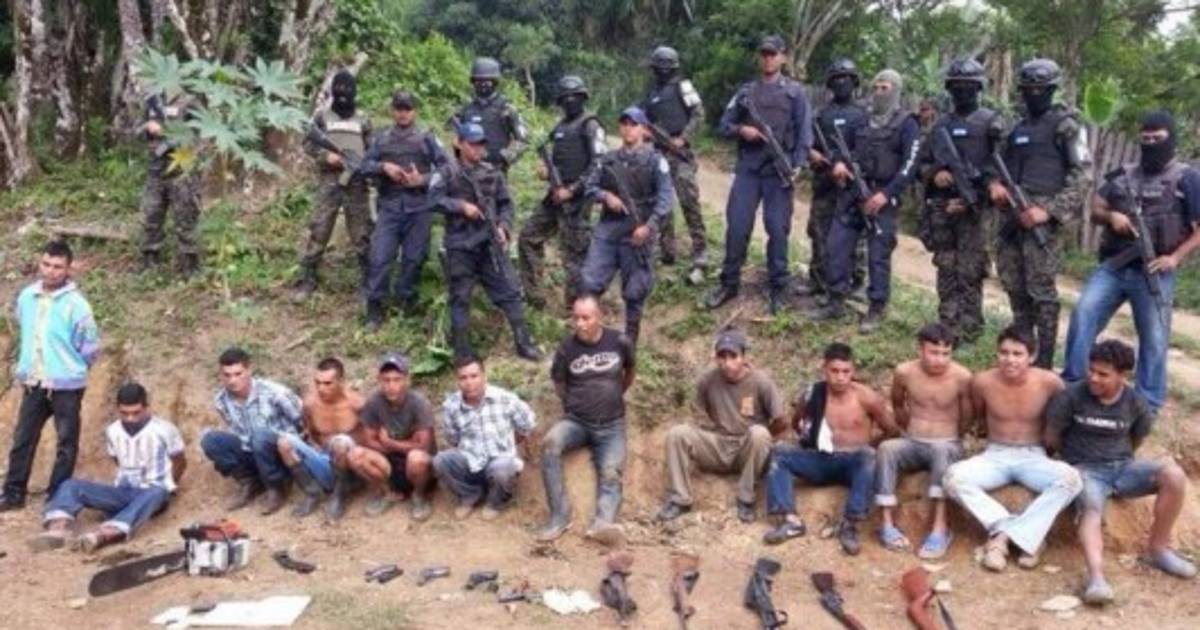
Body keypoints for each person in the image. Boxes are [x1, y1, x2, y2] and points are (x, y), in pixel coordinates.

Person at [1062, 111, 1200, 411]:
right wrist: (1111, 215)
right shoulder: (1122, 174)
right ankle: (1073, 385)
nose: (1150, 143)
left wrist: (1174, 258)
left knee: (1154, 338)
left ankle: (1146, 404)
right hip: (1114, 266)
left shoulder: (1187, 178)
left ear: (1171, 139)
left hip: (1153, 270)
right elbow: (1095, 209)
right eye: (1145, 138)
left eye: (1157, 138)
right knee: (1083, 314)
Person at [1045, 340, 1196, 605]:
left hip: (1123, 468)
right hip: (1085, 470)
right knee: (1091, 508)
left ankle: (1158, 550)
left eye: (1103, 374)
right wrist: (1071, 461)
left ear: (1122, 376)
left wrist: (1122, 461)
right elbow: (1052, 436)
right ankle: (1096, 578)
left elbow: (1137, 437)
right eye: (1091, 370)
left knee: (1173, 475)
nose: (1093, 377)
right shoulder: (1071, 396)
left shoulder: (1135, 403)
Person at [943, 326, 1081, 572]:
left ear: (1032, 356)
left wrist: (1055, 448)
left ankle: (1004, 540)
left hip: (1034, 455)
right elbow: (979, 418)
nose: (1010, 359)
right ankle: (1018, 535)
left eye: (1018, 354)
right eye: (1004, 352)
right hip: (995, 454)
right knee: (953, 478)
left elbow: (1062, 417)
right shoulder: (982, 382)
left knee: (1071, 480)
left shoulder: (1049, 382)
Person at [990, 58, 1091, 369]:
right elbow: (997, 164)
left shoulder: (1067, 126)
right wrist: (995, 185)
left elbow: (1083, 176)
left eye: (1040, 89)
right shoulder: (1015, 127)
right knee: (1015, 289)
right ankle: (1020, 356)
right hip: (1011, 218)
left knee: (1042, 294)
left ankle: (1044, 364)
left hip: (1042, 224)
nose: (1033, 94)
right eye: (1028, 89)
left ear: (1051, 90)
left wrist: (1048, 212)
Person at [705, 35, 811, 315]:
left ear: (783, 57)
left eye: (773, 54)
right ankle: (729, 284)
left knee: (777, 230)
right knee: (737, 228)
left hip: (778, 173)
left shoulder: (795, 93)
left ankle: (779, 288)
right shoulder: (745, 93)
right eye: (764, 54)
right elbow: (724, 125)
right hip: (749, 170)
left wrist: (797, 165)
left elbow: (804, 133)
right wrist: (743, 130)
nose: (768, 58)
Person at [812, 69, 920, 332]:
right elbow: (843, 148)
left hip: (883, 195)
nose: (879, 93)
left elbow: (910, 165)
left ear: (896, 90)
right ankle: (836, 299)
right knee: (836, 245)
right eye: (876, 88)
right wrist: (839, 164)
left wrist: (887, 194)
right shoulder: (862, 119)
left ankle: (876, 307)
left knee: (878, 254)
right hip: (853, 191)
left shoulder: (907, 123)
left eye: (885, 88)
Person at [762, 342, 896, 555]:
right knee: (780, 453)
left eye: (846, 371)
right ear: (825, 369)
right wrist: (811, 440)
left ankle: (850, 525)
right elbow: (798, 423)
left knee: (868, 456)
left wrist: (868, 448)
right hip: (820, 459)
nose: (840, 377)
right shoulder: (813, 394)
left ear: (853, 371)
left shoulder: (866, 397)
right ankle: (790, 520)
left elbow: (891, 429)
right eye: (835, 371)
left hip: (852, 464)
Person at [2, 240, 100, 512]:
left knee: (66, 443)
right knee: (23, 439)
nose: (51, 271)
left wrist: (70, 368)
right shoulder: (26, 297)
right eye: (46, 264)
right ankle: (13, 493)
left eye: (58, 266)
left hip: (66, 385)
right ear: (40, 263)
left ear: (68, 269)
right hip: (34, 382)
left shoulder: (77, 305)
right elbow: (25, 328)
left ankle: (58, 497)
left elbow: (89, 347)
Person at [430, 122, 541, 360]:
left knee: (510, 292)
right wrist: (461, 206)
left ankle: (524, 343)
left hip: (489, 243)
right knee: (460, 297)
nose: (478, 149)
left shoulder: (492, 172)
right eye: (473, 144)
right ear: (460, 144)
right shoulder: (447, 172)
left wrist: (504, 227)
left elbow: (506, 204)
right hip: (460, 244)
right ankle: (462, 351)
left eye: (481, 144)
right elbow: (432, 200)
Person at [31, 383, 185, 553]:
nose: (130, 418)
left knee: (158, 491)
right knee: (70, 485)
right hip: (123, 492)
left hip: (152, 494)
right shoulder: (113, 431)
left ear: (146, 407)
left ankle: (104, 534)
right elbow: (117, 459)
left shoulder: (164, 429)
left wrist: (170, 485)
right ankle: (57, 531)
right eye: (125, 413)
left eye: (136, 413)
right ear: (118, 409)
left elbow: (179, 461)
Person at [655, 328, 785, 524]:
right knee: (677, 434)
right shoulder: (708, 380)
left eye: (733, 356)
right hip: (718, 445)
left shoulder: (760, 381)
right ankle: (680, 499)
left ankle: (746, 498)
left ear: (744, 357)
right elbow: (698, 410)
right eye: (722, 357)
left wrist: (764, 439)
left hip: (746, 448)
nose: (727, 363)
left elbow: (781, 419)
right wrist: (709, 429)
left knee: (759, 434)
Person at [537, 294, 636, 544]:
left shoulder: (619, 341)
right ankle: (559, 516)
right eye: (576, 318)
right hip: (576, 422)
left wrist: (615, 394)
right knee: (549, 444)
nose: (580, 324)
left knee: (611, 473)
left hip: (612, 425)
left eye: (586, 318)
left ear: (599, 316)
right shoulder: (566, 348)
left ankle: (602, 523)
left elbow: (630, 371)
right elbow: (558, 381)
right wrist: (572, 404)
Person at [921, 59, 1005, 343]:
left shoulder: (992, 123)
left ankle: (969, 331)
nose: (962, 91)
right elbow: (922, 163)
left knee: (971, 270)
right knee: (946, 267)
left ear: (979, 88)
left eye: (968, 86)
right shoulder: (941, 126)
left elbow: (1003, 168)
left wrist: (978, 196)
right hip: (944, 209)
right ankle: (946, 327)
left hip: (976, 209)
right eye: (957, 86)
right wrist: (936, 175)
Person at [876, 323, 972, 559]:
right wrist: (908, 428)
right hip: (913, 442)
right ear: (920, 349)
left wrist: (955, 438)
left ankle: (940, 528)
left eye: (946, 353)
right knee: (887, 448)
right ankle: (886, 524)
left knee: (941, 449)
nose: (940, 360)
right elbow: (898, 403)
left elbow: (968, 416)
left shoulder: (962, 377)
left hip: (947, 444)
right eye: (934, 352)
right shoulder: (904, 372)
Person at [579, 106, 674, 345]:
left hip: (639, 230)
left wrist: (649, 227)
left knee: (635, 292)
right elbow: (589, 187)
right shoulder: (608, 160)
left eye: (634, 124)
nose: (628, 129)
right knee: (590, 282)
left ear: (644, 129)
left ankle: (629, 345)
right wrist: (605, 196)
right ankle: (588, 336)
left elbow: (664, 201)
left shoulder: (655, 161)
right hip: (610, 228)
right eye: (624, 124)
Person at [361, 90, 451, 330]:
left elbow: (447, 169)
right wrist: (383, 167)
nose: (403, 113)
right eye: (399, 109)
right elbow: (363, 166)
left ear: (414, 111)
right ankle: (375, 309)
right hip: (389, 206)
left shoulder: (426, 138)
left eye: (407, 109)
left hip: (419, 207)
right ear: (392, 111)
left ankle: (405, 304)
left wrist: (422, 179)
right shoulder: (381, 138)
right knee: (380, 257)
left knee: (414, 258)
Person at [518, 75, 605, 310]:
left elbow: (599, 164)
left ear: (582, 97)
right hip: (555, 194)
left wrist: (573, 190)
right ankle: (535, 298)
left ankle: (576, 308)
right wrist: (545, 171)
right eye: (565, 98)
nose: (569, 101)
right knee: (528, 237)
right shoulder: (560, 126)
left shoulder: (590, 125)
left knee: (575, 255)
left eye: (574, 97)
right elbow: (556, 159)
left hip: (578, 199)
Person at [291, 69, 374, 302]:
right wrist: (326, 157)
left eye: (348, 89)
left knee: (362, 233)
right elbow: (308, 143)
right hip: (329, 181)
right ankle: (307, 279)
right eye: (339, 88)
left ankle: (368, 283)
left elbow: (372, 149)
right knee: (320, 227)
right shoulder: (322, 117)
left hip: (356, 183)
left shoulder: (364, 119)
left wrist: (365, 167)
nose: (343, 93)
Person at [200, 347, 302, 516]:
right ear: (220, 375)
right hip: (251, 451)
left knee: (260, 436)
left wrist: (297, 454)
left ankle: (277, 486)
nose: (232, 380)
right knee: (210, 440)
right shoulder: (221, 400)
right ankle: (251, 482)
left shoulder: (275, 393)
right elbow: (233, 428)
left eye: (238, 374)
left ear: (249, 370)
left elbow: (302, 419)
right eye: (227, 375)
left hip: (280, 453)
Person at [434, 354, 537, 520]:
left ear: (484, 376)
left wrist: (514, 440)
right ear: (457, 381)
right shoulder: (451, 405)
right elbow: (452, 438)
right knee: (441, 461)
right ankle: (469, 495)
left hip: (499, 461)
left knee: (503, 468)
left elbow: (527, 424)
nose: (469, 382)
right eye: (463, 378)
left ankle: (494, 502)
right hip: (470, 460)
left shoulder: (505, 399)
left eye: (474, 376)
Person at [640, 45, 708, 281]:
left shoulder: (683, 86)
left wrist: (683, 139)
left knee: (690, 203)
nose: (657, 71)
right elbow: (644, 119)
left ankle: (700, 253)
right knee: (663, 205)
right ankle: (667, 252)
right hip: (659, 154)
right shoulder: (651, 92)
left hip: (680, 153)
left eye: (660, 68)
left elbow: (699, 114)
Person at [802, 57, 867, 299]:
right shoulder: (821, 115)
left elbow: (867, 148)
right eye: (837, 79)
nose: (841, 83)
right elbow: (809, 144)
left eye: (846, 78)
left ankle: (856, 282)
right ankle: (818, 280)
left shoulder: (862, 115)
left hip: (852, 184)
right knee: (818, 230)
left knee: (854, 235)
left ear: (854, 82)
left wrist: (846, 164)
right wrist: (812, 154)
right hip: (824, 182)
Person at [348, 352, 436, 520]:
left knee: (417, 458)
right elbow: (368, 439)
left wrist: (389, 443)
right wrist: (400, 445)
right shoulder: (374, 402)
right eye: (386, 380)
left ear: (406, 380)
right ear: (379, 380)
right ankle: (387, 493)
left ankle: (419, 496)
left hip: (417, 467)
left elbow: (423, 446)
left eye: (396, 380)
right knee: (355, 455)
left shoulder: (419, 403)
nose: (391, 385)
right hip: (388, 461)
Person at [276, 357, 365, 522]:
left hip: (351, 465)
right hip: (324, 457)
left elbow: (369, 437)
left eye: (327, 383)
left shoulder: (357, 404)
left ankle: (340, 495)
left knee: (340, 442)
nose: (321, 388)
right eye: (317, 383)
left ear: (341, 381)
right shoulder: (310, 404)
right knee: (284, 443)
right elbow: (309, 431)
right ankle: (312, 492)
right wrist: (313, 445)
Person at [139, 92, 202, 276]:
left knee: (186, 217)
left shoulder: (189, 100)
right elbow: (135, 130)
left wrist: (167, 133)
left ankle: (190, 265)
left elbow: (199, 133)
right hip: (156, 170)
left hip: (181, 171)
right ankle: (150, 261)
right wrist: (146, 128)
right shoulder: (152, 99)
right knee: (151, 215)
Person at [450, 57, 529, 174]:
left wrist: (504, 158)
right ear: (473, 82)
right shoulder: (465, 109)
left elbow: (523, 140)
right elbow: (456, 140)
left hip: (496, 172)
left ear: (495, 82)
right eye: (478, 81)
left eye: (487, 81)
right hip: (468, 171)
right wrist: (460, 157)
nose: (482, 85)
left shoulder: (506, 109)